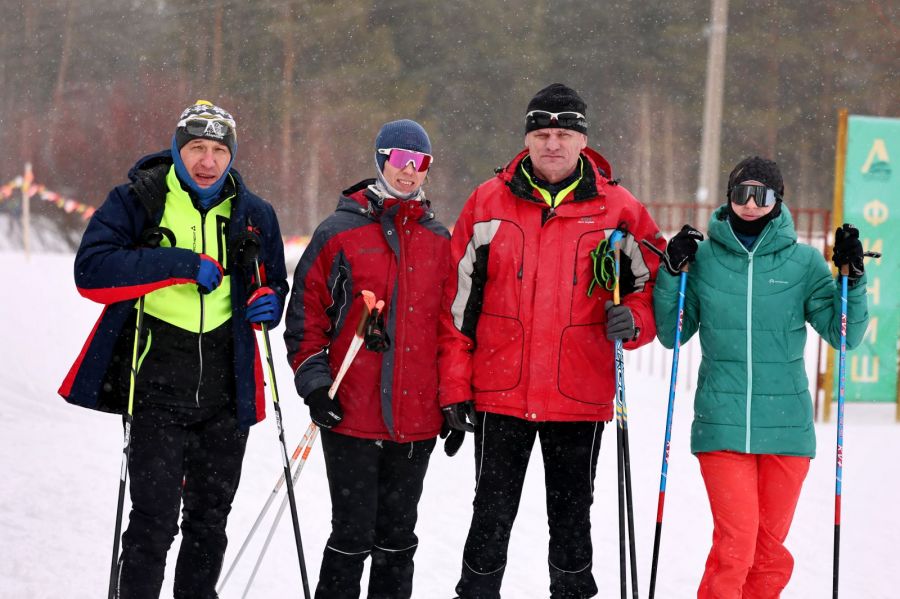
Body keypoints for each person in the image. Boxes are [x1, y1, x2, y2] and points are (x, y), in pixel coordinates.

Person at [439, 83, 665, 599]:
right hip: (501, 392)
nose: (552, 144)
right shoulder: (488, 201)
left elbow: (651, 283)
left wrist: (634, 319)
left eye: (564, 134)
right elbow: (455, 306)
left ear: (583, 141)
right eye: (542, 133)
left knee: (571, 521)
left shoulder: (619, 208)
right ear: (527, 138)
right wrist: (454, 387)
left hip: (578, 397)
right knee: (490, 517)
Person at [58, 100, 288, 599]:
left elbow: (273, 282)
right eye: (197, 148)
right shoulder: (139, 199)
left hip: (225, 392)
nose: (208, 161)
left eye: (219, 150)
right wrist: (177, 263)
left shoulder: (255, 214)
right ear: (178, 150)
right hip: (157, 386)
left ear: (232, 155)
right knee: (153, 524)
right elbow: (92, 271)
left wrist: (269, 302)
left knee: (209, 523)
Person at [652, 156, 870, 598]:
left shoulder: (804, 263)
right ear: (729, 197)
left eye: (761, 195)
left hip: (787, 428)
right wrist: (673, 273)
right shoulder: (706, 259)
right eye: (741, 193)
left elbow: (843, 335)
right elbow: (673, 333)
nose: (750, 204)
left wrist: (853, 278)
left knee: (769, 552)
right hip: (722, 423)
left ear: (778, 199)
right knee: (736, 545)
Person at [283, 119, 454, 599]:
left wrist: (454, 399)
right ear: (381, 161)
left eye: (421, 163)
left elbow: (451, 329)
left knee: (397, 541)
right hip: (351, 411)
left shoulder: (440, 240)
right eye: (401, 160)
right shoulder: (338, 232)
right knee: (353, 535)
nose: (410, 172)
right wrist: (314, 383)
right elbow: (305, 319)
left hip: (417, 418)